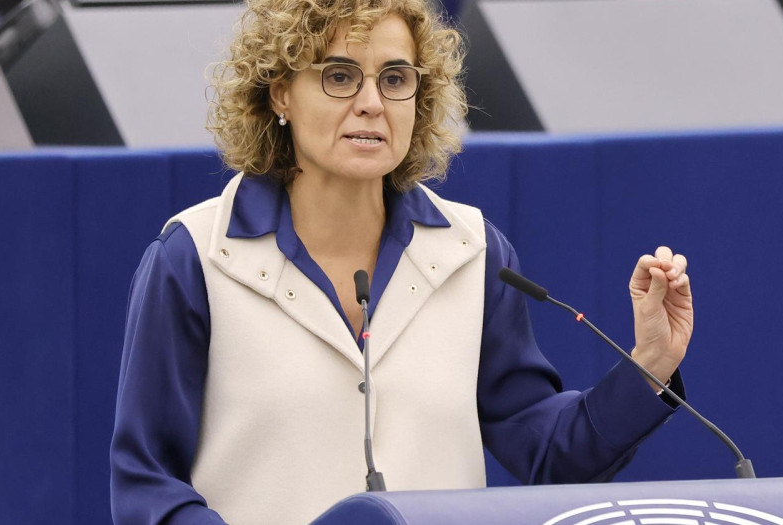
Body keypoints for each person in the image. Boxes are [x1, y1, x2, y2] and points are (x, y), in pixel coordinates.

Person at [109, 0, 693, 523]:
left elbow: (546, 453)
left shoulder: (471, 252)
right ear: (280, 92)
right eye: (340, 76)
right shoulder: (195, 257)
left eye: (394, 79)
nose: (371, 104)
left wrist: (650, 364)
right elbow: (147, 485)